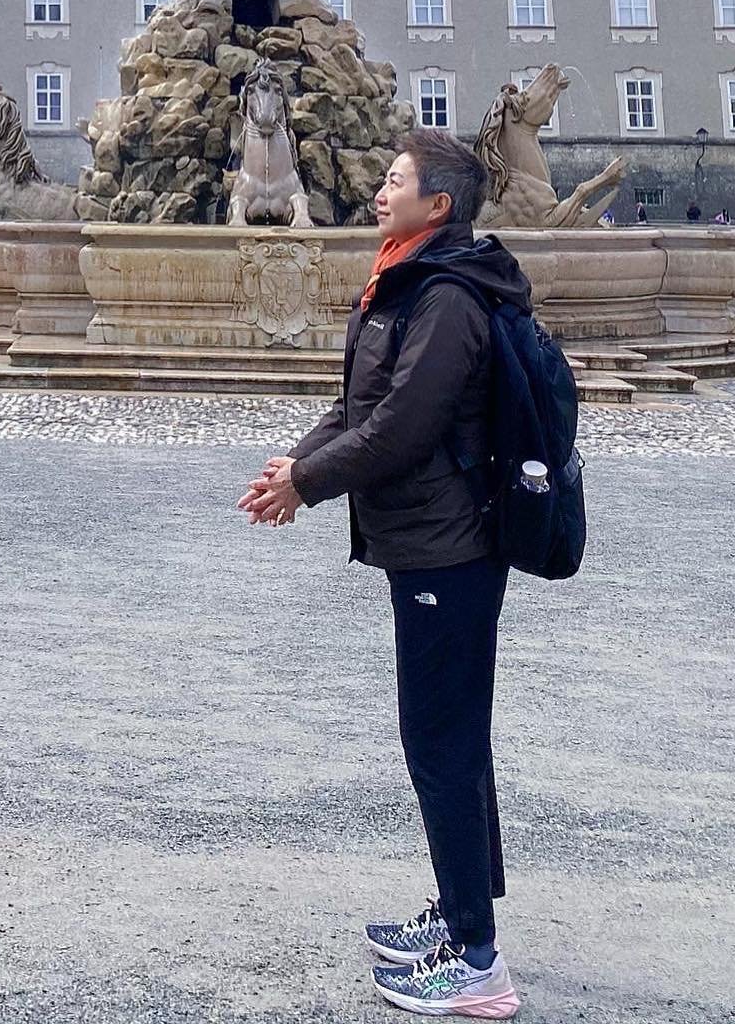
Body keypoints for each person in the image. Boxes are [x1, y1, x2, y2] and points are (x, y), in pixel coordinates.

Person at [238, 129, 529, 1018]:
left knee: (439, 744)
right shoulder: (406, 280)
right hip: (425, 542)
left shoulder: (444, 298)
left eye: (395, 180)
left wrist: (310, 485)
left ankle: (476, 961)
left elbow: (403, 428)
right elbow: (357, 405)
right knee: (449, 739)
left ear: (436, 205)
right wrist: (297, 463)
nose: (378, 190)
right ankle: (460, 915)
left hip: (449, 546)